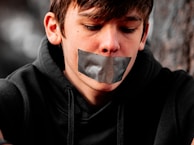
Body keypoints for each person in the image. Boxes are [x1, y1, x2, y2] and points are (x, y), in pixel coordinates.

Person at [0, 0, 194, 145]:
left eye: (128, 29)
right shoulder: (16, 99)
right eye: (93, 26)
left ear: (143, 34)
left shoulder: (181, 99)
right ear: (54, 28)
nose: (111, 44)